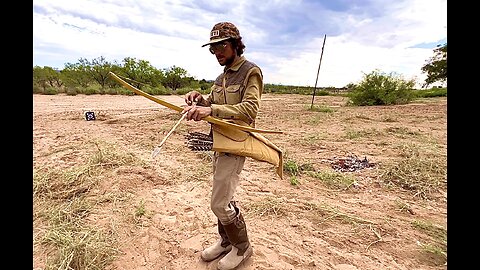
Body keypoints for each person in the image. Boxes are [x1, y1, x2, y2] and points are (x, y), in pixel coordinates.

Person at [181, 21, 263, 270]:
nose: (217, 52)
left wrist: (210, 108)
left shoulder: (251, 71)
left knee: (219, 202)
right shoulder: (220, 77)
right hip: (218, 142)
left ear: (236, 44)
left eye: (222, 46)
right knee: (223, 197)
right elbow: (211, 104)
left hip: (236, 142)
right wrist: (199, 99)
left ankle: (242, 247)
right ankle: (226, 242)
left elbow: (250, 109)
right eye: (213, 48)